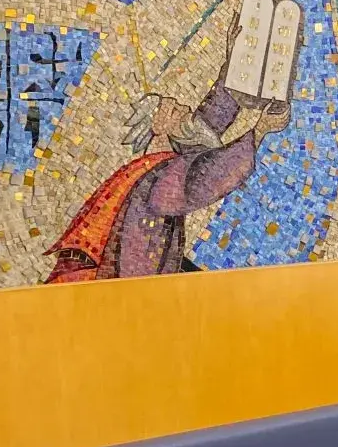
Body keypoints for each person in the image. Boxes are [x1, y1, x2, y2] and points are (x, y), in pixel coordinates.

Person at [44, 29, 291, 283]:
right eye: (172, 109)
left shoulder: (154, 164)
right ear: (158, 126)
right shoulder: (158, 175)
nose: (182, 106)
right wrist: (259, 131)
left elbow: (205, 126)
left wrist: (234, 63)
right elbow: (205, 180)